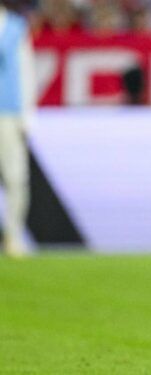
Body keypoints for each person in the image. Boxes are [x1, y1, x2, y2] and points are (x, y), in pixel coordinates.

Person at [0, 2, 33, 257]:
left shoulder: (16, 28)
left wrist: (27, 116)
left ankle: (13, 237)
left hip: (8, 113)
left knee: (16, 178)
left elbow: (26, 72)